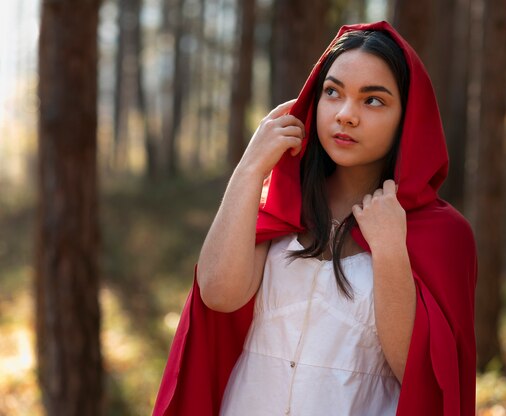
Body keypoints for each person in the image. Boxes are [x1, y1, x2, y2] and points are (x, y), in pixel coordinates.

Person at [153, 21, 477, 416]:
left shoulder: (443, 233)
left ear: (408, 118)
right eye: (332, 92)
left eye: (372, 100)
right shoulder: (281, 205)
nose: (345, 115)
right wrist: (251, 168)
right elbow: (218, 294)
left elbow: (421, 376)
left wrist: (391, 250)